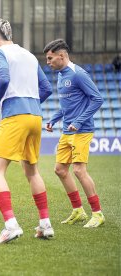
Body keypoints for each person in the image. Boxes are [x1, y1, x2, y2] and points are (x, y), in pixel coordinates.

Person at [0, 19, 54, 244]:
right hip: (35, 116)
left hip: (15, 116)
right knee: (32, 171)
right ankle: (45, 224)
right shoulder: (29, 55)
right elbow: (47, 89)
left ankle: (11, 225)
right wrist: (30, 105)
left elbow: (3, 79)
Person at [43, 39, 105, 228]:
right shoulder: (61, 75)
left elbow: (97, 99)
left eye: (50, 58)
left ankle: (98, 213)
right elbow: (67, 106)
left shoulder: (79, 74)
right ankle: (78, 210)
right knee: (60, 170)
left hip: (82, 130)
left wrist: (78, 121)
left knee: (78, 170)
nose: (48, 62)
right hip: (67, 130)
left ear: (61, 56)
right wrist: (54, 119)